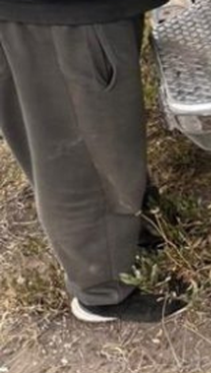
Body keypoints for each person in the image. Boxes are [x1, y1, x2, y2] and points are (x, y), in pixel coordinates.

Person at [0, 0, 185, 322]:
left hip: (65, 14)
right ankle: (104, 291)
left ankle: (137, 228)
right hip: (56, 16)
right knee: (78, 156)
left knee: (102, 134)